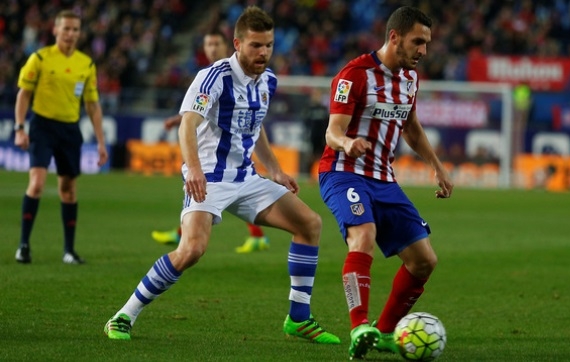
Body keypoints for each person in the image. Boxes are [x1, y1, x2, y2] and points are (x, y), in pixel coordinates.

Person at [104, 6, 340, 344]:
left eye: (269, 45)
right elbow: (188, 124)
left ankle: (298, 318)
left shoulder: (267, 81)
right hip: (210, 178)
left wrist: (273, 169)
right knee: (191, 251)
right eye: (256, 46)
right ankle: (123, 316)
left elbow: (254, 129)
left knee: (309, 225)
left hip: (246, 179)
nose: (264, 53)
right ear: (238, 43)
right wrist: (195, 170)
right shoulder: (213, 77)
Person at [318, 6, 454, 359]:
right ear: (394, 37)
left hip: (384, 179)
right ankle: (359, 325)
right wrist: (348, 142)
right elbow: (332, 131)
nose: (424, 50)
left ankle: (382, 332)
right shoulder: (354, 75)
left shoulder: (410, 78)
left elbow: (410, 126)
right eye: (418, 42)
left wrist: (437, 166)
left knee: (424, 260)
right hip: (342, 172)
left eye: (426, 43)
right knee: (363, 236)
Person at [151, 30, 269, 253]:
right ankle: (184, 233)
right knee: (210, 187)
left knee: (222, 185)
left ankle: (185, 236)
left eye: (216, 43)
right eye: (208, 44)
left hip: (231, 147)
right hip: (219, 147)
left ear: (229, 46)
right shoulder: (210, 75)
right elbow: (208, 110)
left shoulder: (237, 74)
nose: (212, 48)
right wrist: (180, 119)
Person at [13, 10, 109, 265]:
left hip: (70, 130)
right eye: (66, 28)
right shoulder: (40, 58)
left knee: (68, 190)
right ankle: (23, 245)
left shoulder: (85, 64)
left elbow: (92, 105)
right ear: (55, 30)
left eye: (75, 29)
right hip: (42, 126)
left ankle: (69, 250)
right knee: (37, 183)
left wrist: (100, 142)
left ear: (80, 33)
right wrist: (20, 128)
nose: (70, 34)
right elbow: (23, 94)